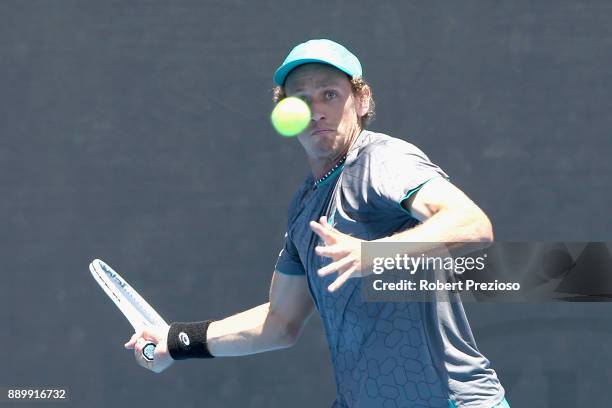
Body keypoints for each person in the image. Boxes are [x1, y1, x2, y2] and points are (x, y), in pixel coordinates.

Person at [125, 39, 509, 408]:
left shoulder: (381, 160)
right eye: (301, 100)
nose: (316, 110)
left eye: (329, 94)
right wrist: (177, 341)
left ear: (361, 101)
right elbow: (279, 322)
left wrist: (373, 254)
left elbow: (470, 223)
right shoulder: (305, 206)